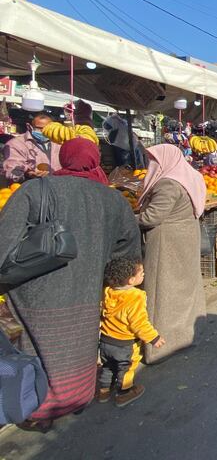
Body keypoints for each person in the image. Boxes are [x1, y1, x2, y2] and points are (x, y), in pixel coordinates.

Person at [0, 140, 141, 429]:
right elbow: (127, 249)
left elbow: (5, 240)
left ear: (63, 159)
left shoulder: (36, 190)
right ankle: (76, 397)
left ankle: (37, 409)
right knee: (80, 343)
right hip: (88, 288)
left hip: (36, 287)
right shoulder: (113, 199)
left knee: (37, 345)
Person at [138, 144, 207, 364]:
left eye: (154, 160)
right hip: (187, 236)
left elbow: (151, 218)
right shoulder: (191, 176)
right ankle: (185, 336)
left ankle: (161, 346)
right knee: (185, 288)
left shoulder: (168, 183)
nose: (151, 165)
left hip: (168, 242)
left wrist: (127, 218)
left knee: (163, 290)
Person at [97, 258, 165, 408]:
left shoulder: (107, 291)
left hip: (106, 341)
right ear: (131, 280)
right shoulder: (136, 296)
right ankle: (123, 394)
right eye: (142, 272)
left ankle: (103, 392)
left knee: (108, 366)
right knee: (126, 369)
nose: (144, 274)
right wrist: (154, 338)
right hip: (125, 345)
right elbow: (139, 323)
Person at [2, 113, 62, 183]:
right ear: (29, 126)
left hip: (57, 186)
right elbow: (12, 168)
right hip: (30, 187)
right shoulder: (16, 144)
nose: (44, 131)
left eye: (47, 128)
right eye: (39, 128)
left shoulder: (58, 142)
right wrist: (27, 173)